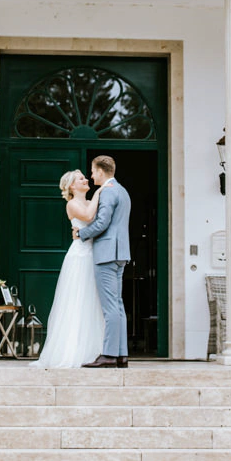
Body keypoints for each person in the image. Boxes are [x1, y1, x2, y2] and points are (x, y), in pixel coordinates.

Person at [28, 169, 106, 368]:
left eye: (85, 177)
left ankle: (93, 349)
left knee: (92, 300)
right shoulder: (72, 204)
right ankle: (72, 351)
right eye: (81, 178)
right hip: (80, 256)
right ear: (72, 185)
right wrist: (99, 192)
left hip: (94, 253)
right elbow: (88, 216)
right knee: (77, 299)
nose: (86, 180)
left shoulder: (90, 202)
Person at [78, 155, 132, 369]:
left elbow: (102, 222)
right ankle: (121, 354)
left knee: (110, 307)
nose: (91, 176)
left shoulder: (108, 191)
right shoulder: (122, 191)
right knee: (117, 305)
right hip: (120, 254)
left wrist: (81, 233)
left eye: (92, 172)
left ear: (100, 171)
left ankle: (109, 354)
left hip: (107, 253)